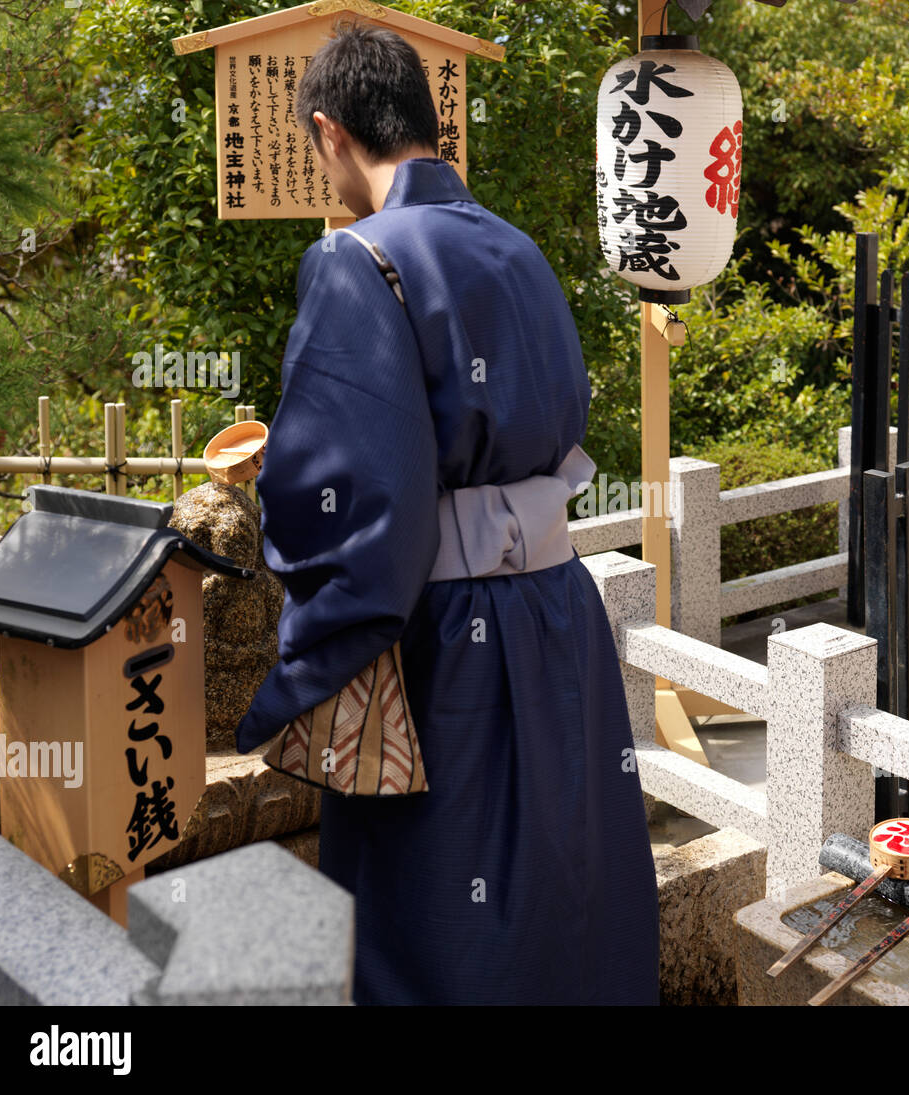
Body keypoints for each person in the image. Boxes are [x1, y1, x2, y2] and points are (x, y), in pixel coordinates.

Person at [234, 22, 660, 1006]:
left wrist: (288, 675)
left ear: (329, 132)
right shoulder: (520, 253)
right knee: (562, 894)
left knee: (432, 924)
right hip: (557, 616)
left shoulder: (359, 261)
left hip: (441, 649)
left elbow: (342, 505)